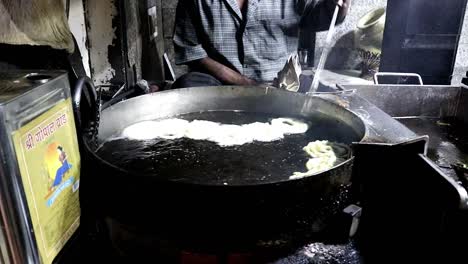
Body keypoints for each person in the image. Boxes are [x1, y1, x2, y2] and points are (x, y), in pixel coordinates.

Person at [172, 0, 350, 89]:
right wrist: (246, 84)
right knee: (187, 85)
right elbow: (191, 51)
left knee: (331, 103)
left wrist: (340, 7)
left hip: (281, 84)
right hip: (222, 86)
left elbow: (317, 19)